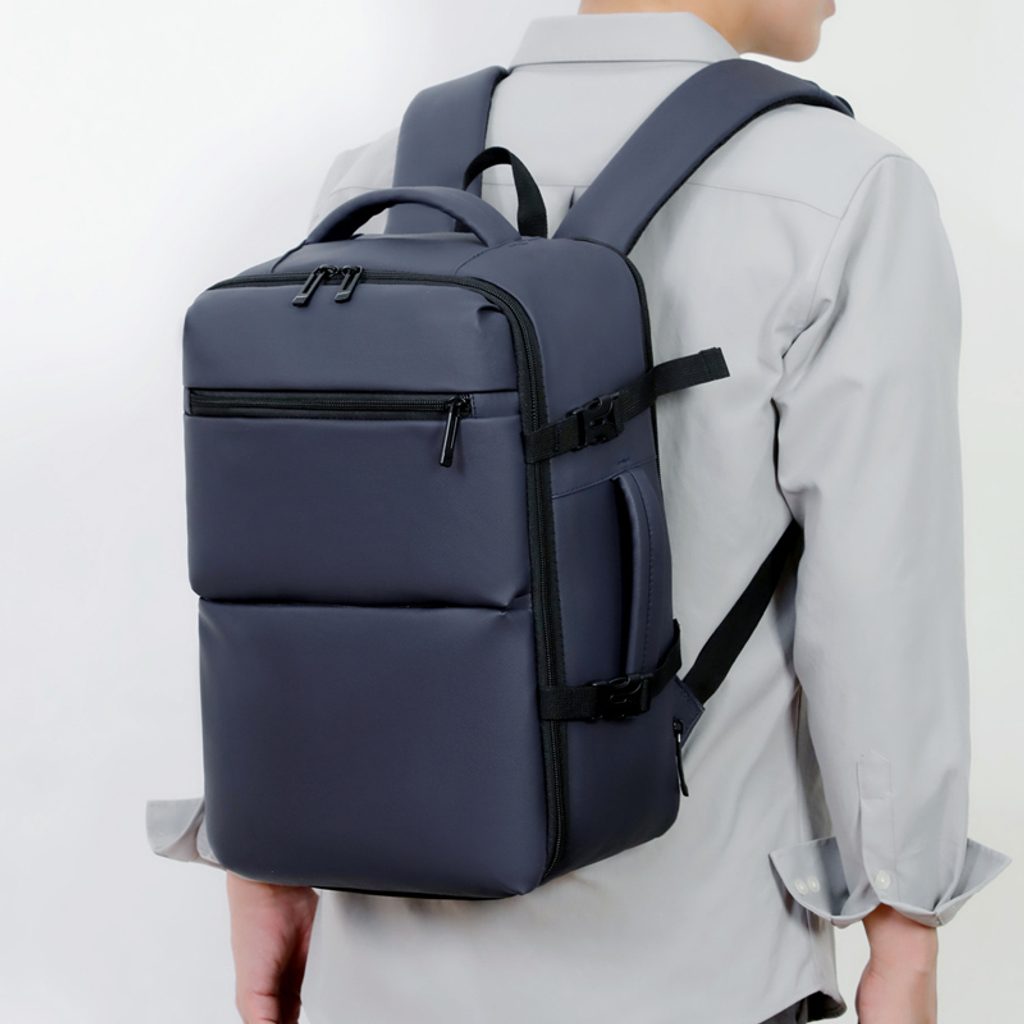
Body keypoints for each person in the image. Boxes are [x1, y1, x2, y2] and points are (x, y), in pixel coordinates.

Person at [149, 2, 1011, 1022]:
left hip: (380, 974)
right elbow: (882, 606)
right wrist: (905, 925)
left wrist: (265, 872)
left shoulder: (375, 174)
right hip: (692, 974)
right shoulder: (844, 189)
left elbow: (302, 553)